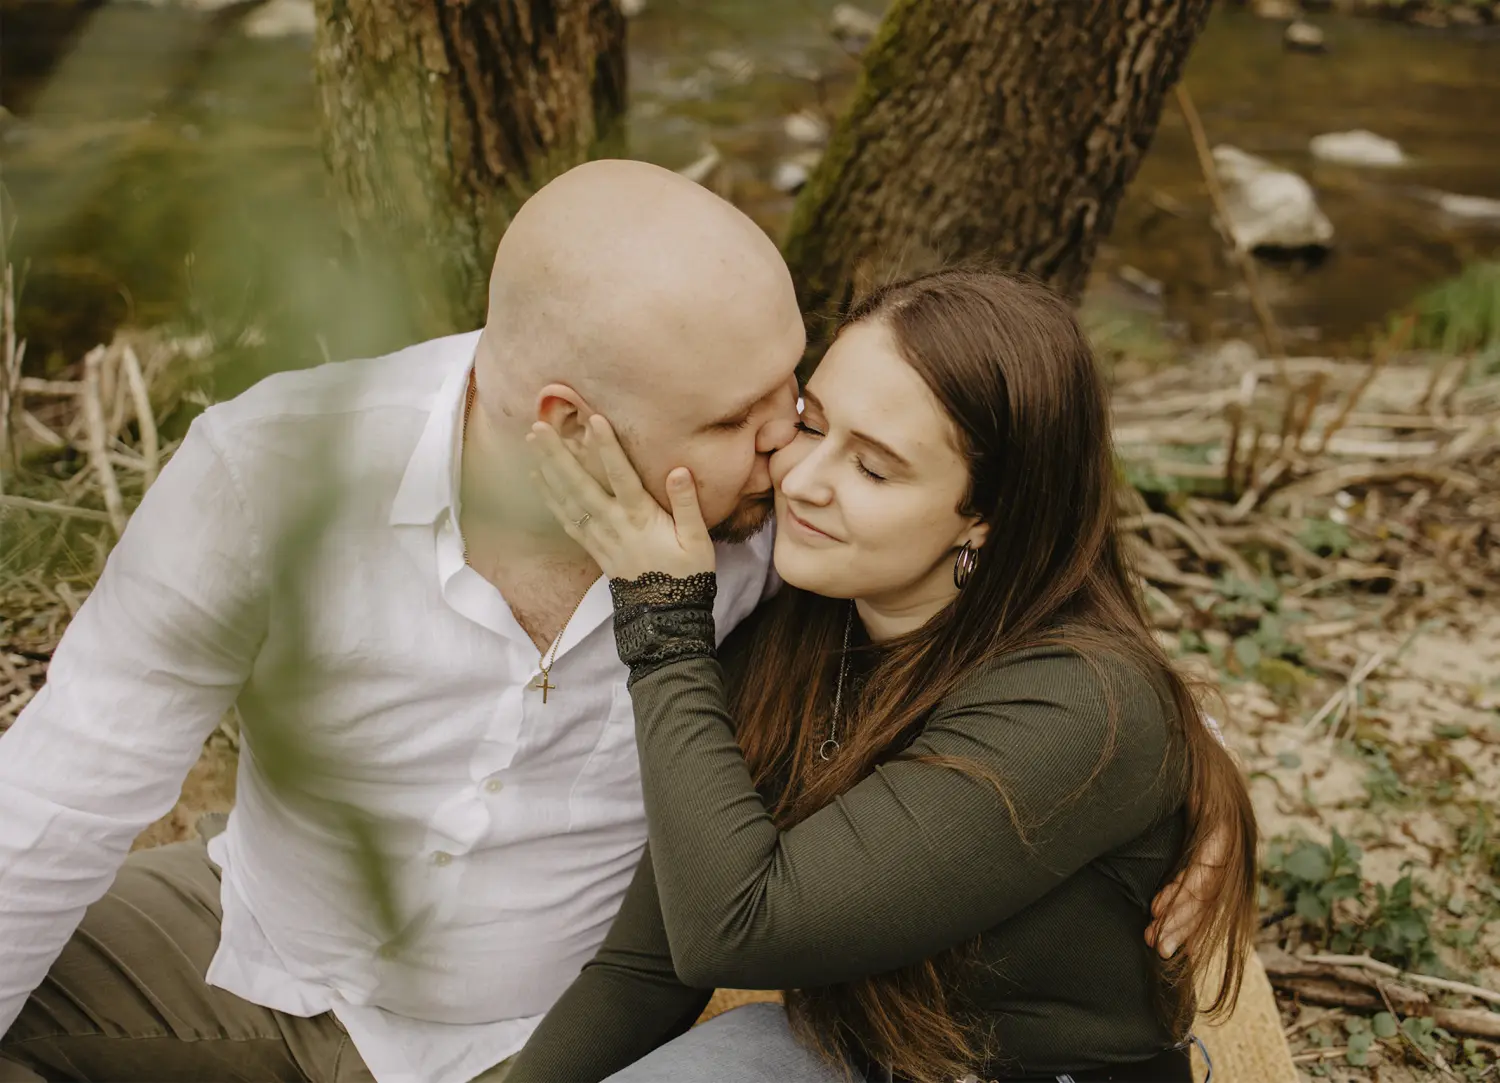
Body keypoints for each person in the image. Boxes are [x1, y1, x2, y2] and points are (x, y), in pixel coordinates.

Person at [0, 161, 1212, 1083]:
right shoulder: (273, 475)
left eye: (795, 388)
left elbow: (1024, 648)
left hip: (556, 1028)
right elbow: (64, 788)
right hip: (269, 958)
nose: (790, 451)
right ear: (570, 422)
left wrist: (1189, 777)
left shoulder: (771, 547)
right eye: (752, 416)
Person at [513, 267, 1259, 1083]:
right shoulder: (800, 632)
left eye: (873, 468)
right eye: (810, 423)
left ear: (985, 513)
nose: (802, 480)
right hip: (844, 1056)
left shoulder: (1082, 703)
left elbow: (736, 930)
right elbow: (644, 970)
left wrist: (662, 622)